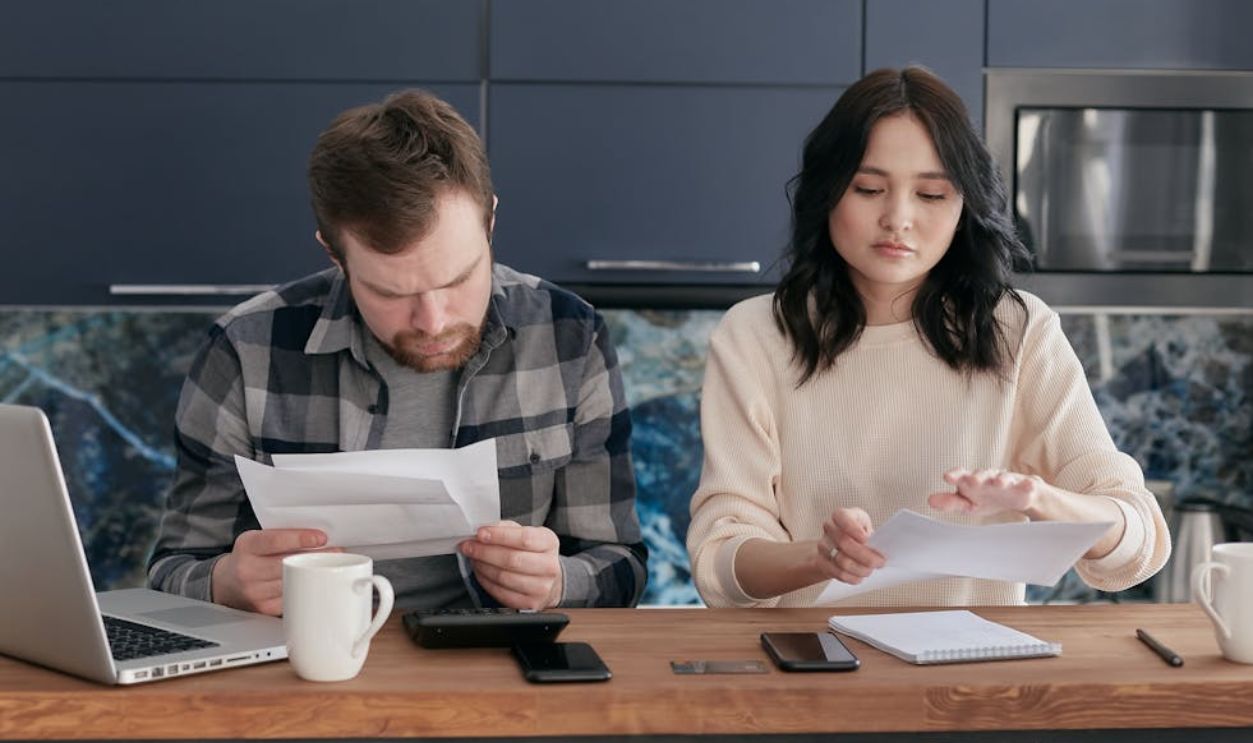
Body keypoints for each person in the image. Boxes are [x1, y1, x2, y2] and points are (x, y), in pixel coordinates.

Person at [686, 67, 1170, 608]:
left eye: (932, 194)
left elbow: (1138, 544)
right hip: (811, 673)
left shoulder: (1020, 331)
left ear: (964, 206)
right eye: (869, 188)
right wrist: (819, 558)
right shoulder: (754, 335)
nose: (898, 218)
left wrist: (1040, 500)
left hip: (971, 678)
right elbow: (720, 561)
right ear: (827, 195)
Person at [149, 90, 646, 614]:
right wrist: (225, 583)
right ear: (333, 253)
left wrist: (558, 582)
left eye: (459, 279)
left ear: (491, 222)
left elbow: (622, 567)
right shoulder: (244, 350)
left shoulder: (570, 337)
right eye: (390, 293)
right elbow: (169, 573)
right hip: (304, 673)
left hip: (501, 671)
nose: (433, 321)